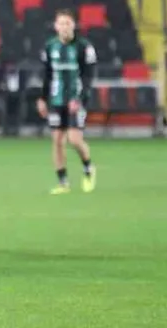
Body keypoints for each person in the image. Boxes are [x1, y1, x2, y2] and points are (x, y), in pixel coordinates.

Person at [37, 10, 97, 195]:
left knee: (74, 139)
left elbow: (88, 77)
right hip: (56, 100)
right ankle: (63, 183)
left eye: (68, 23)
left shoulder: (84, 47)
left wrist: (79, 99)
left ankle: (88, 168)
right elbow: (47, 75)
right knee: (57, 140)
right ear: (56, 26)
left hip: (75, 100)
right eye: (61, 23)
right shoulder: (50, 47)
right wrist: (42, 98)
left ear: (74, 25)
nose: (64, 27)